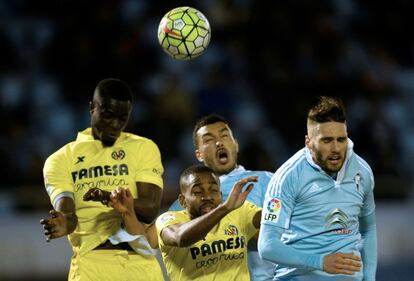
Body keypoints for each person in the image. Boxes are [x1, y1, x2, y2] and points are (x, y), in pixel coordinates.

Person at [39, 78, 165, 281]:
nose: (115, 124)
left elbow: (150, 209)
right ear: (92, 108)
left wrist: (108, 197)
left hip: (140, 263)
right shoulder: (61, 159)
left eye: (122, 118)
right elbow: (67, 212)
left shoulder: (143, 147)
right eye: (108, 116)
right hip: (92, 267)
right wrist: (63, 222)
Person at [258, 96, 377, 281]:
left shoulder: (362, 171)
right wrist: (319, 262)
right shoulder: (288, 177)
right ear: (308, 142)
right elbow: (267, 245)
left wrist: (370, 278)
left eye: (341, 139)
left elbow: (368, 230)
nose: (336, 148)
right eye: (327, 141)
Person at [169, 114, 275, 280]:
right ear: (199, 155)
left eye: (224, 136)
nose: (219, 142)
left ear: (236, 144)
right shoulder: (182, 202)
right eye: (209, 140)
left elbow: (286, 229)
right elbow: (177, 244)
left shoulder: (268, 180)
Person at [157, 164, 261, 280]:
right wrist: (224, 208)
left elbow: (272, 220)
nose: (207, 196)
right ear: (183, 201)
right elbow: (180, 238)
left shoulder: (239, 211)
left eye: (213, 190)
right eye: (197, 192)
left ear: (220, 196)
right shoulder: (168, 220)